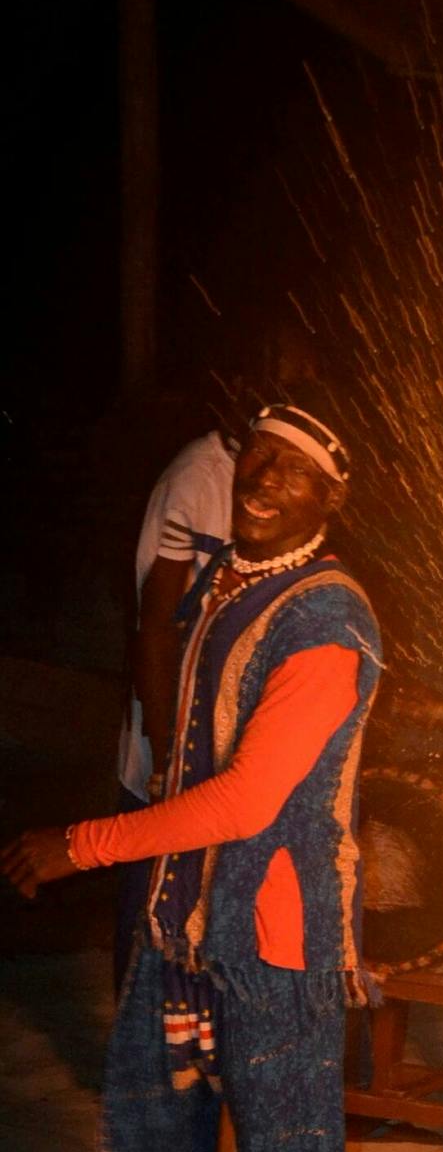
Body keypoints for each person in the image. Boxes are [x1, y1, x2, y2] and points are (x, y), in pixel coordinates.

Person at [1, 399, 380, 1152]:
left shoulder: (329, 620)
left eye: (292, 472)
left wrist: (86, 841)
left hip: (274, 944)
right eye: (254, 460)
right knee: (146, 1136)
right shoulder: (227, 583)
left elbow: (252, 798)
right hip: (181, 921)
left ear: (328, 498)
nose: (263, 480)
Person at [113, 420, 239, 981]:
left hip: (219, 749)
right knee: (150, 921)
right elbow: (155, 625)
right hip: (168, 736)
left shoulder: (268, 478)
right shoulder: (199, 478)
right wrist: (165, 754)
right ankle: (135, 1065)